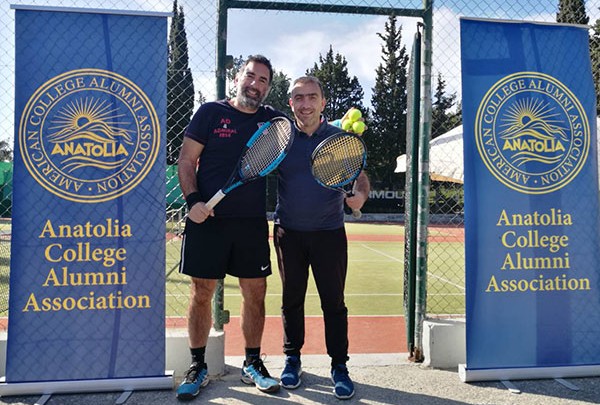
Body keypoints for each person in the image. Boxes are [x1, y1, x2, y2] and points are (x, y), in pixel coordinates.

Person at [175, 55, 283, 400]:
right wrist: (193, 201)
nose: (255, 84)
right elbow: (186, 160)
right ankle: (197, 366)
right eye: (250, 76)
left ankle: (252, 362)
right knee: (201, 292)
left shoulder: (272, 121)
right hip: (208, 221)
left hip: (250, 224)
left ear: (268, 87)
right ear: (237, 78)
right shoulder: (210, 113)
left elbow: (303, 130)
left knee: (256, 292)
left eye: (263, 80)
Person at [273, 76, 370, 400]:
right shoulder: (282, 139)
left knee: (334, 303)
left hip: (329, 234)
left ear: (323, 102)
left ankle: (339, 366)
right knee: (292, 300)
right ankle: (292, 359)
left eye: (312, 97)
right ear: (291, 103)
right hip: (288, 233)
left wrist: (360, 196)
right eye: (299, 98)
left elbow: (360, 177)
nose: (306, 104)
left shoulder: (340, 138)